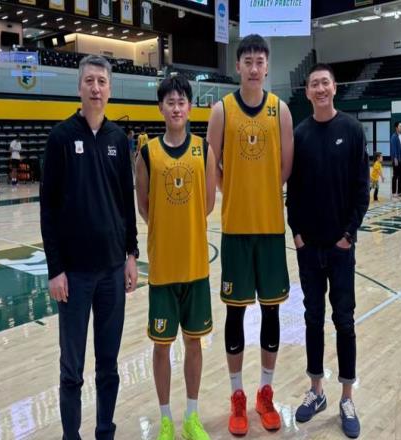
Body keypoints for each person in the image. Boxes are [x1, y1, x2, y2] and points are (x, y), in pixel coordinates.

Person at [40, 55, 138, 440]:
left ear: (110, 89)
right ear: (79, 87)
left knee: (108, 366)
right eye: (90, 81)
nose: (96, 88)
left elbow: (126, 201)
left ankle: (104, 431)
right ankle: (71, 435)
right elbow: (48, 209)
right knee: (72, 369)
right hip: (74, 276)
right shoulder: (61, 138)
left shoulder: (118, 139)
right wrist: (55, 270)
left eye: (102, 81)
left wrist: (131, 255)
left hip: (113, 270)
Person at [206, 34, 294, 436]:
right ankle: (238, 396)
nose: (255, 68)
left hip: (271, 229)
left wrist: (263, 192)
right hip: (237, 230)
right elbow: (212, 164)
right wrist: (235, 192)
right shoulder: (222, 110)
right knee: (235, 313)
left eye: (260, 61)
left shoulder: (281, 110)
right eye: (248, 61)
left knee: (272, 312)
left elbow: (286, 167)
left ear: (267, 66)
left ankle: (265, 393)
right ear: (238, 66)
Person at [287, 63, 369, 439]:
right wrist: (297, 234)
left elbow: (361, 190)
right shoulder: (300, 134)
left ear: (335, 87)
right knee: (312, 319)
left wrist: (348, 235)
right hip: (309, 249)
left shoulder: (351, 130)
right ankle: (316, 391)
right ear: (307, 92)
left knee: (345, 321)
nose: (320, 89)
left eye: (325, 83)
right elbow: (293, 193)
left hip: (340, 249)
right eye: (314, 84)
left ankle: (347, 397)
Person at [135, 75, 216, 440]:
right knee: (162, 345)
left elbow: (209, 202)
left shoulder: (203, 149)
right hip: (163, 268)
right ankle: (166, 418)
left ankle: (191, 417)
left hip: (196, 265)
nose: (177, 107)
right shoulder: (147, 153)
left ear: (190, 107)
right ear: (161, 108)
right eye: (170, 102)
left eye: (182, 101)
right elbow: (144, 205)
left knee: (194, 343)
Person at [390, 121, 401, 198]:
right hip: (397, 160)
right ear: (396, 128)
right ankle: (394, 192)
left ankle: (399, 192)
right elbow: (393, 149)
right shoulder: (394, 137)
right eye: (400, 126)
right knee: (395, 176)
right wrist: (395, 159)